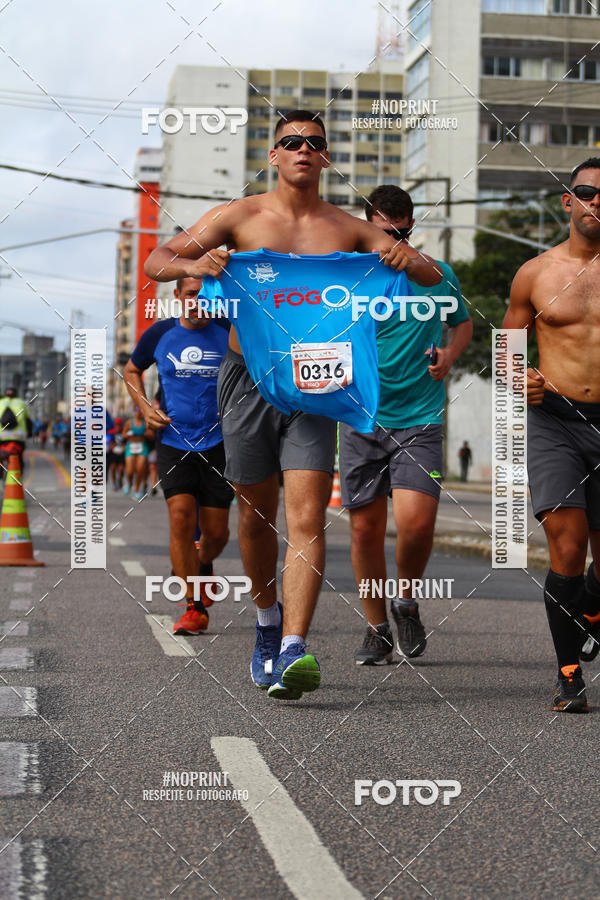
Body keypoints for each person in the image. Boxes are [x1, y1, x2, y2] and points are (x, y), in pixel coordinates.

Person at [144, 109, 442, 700]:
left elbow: (430, 276)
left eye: (314, 142)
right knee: (256, 518)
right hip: (247, 379)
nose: (303, 149)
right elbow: (157, 260)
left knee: (306, 519)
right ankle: (266, 620)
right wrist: (195, 264)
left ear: (325, 157)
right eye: (291, 141)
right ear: (274, 154)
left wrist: (406, 259)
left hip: (315, 381)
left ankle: (294, 647)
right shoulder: (239, 216)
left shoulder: (346, 229)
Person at [338, 185, 473, 665]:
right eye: (384, 232)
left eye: (400, 232)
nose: (393, 241)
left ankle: (407, 602)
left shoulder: (436, 275)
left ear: (412, 226)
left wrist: (450, 356)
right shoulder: (348, 278)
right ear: (367, 228)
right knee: (365, 531)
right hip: (361, 417)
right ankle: (376, 629)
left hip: (419, 418)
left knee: (416, 525)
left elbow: (462, 323)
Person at [503, 156, 600, 713]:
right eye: (586, 193)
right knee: (567, 546)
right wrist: (522, 378)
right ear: (568, 201)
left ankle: (591, 608)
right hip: (554, 422)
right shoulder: (535, 273)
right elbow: (507, 351)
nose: (596, 202)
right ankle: (569, 675)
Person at [124, 277, 233, 635]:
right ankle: (193, 606)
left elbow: (256, 372)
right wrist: (145, 408)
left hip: (220, 442)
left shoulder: (230, 331)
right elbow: (131, 370)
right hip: (173, 439)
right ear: (177, 296)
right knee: (181, 517)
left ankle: (201, 564)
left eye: (206, 295)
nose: (199, 301)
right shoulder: (160, 333)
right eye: (191, 294)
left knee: (216, 533)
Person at [0, 386, 31, 476]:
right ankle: (18, 475)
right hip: (18, 436)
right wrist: (29, 433)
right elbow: (27, 421)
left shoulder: (0, 402)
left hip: (1, 435)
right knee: (18, 456)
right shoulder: (21, 403)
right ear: (16, 395)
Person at [122, 408, 150, 500]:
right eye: (136, 411)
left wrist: (147, 433)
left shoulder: (145, 423)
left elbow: (151, 434)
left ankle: (137, 490)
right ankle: (130, 483)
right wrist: (129, 434)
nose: (138, 413)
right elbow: (123, 434)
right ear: (134, 412)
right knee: (130, 471)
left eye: (139, 411)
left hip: (142, 446)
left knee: (140, 469)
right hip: (131, 446)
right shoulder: (129, 422)